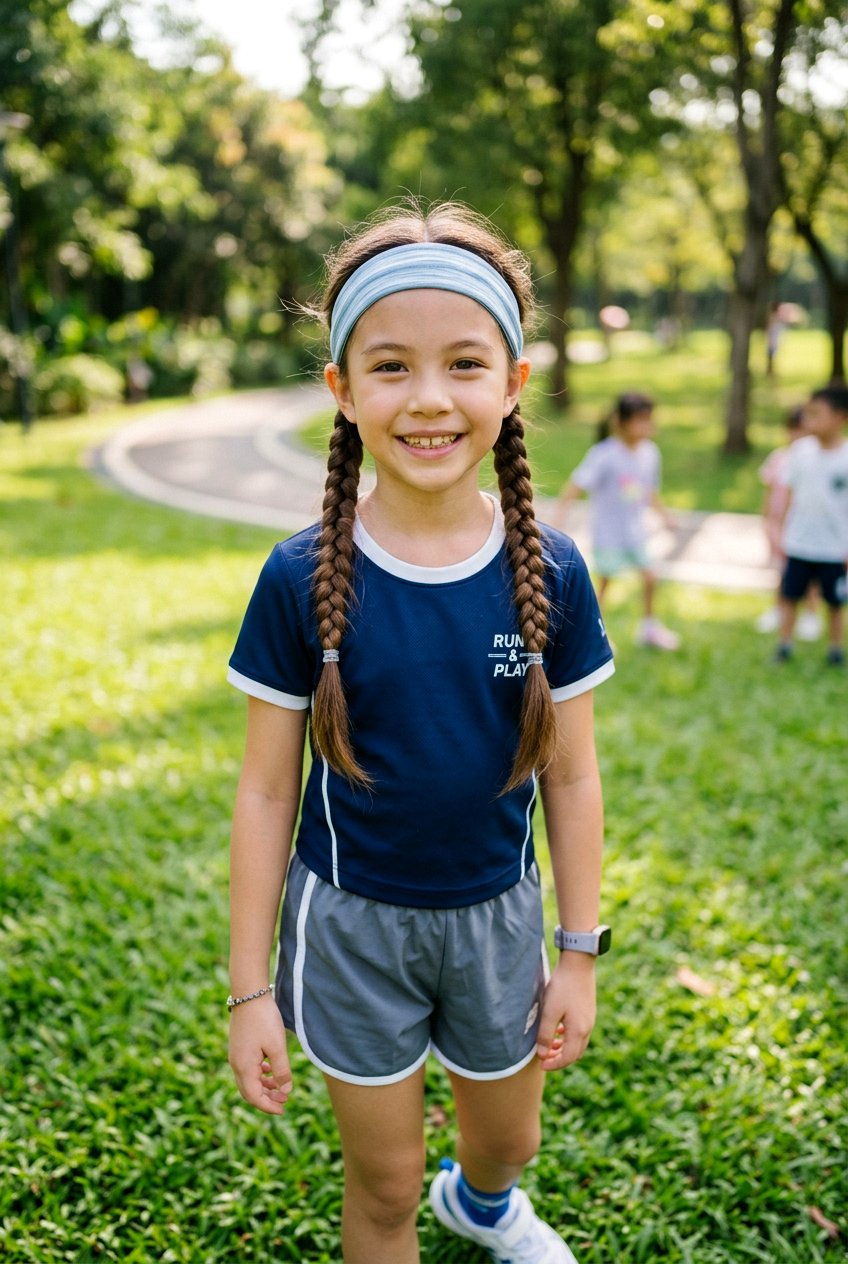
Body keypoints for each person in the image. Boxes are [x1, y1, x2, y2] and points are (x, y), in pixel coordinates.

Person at [226, 202, 615, 1264]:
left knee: (508, 1140)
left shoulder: (553, 573)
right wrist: (248, 989)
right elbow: (266, 792)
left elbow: (572, 779)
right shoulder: (299, 577)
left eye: (463, 364)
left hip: (497, 921)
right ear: (343, 392)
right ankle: (420, 1201)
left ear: (512, 383)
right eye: (390, 367)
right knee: (386, 1182)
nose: (430, 399)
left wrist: (576, 954)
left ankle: (482, 1204)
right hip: (350, 928)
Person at [555, 392, 680, 650]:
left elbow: (649, 491)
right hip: (608, 534)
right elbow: (577, 484)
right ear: (621, 422)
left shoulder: (650, 453)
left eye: (648, 420)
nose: (646, 426)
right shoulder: (604, 454)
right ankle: (593, 634)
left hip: (636, 532)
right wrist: (559, 516)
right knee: (604, 584)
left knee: (650, 577)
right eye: (639, 420)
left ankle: (649, 627)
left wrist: (665, 516)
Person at [774, 384, 848, 666]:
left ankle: (835, 649)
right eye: (809, 413)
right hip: (799, 541)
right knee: (790, 595)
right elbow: (788, 494)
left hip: (834, 547)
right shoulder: (800, 452)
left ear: (841, 417)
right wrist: (780, 531)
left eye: (818, 414)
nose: (810, 420)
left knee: (836, 601)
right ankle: (784, 644)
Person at [755, 406, 822, 638]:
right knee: (782, 571)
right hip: (779, 525)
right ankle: (778, 609)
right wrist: (768, 522)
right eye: (795, 430)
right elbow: (770, 492)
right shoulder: (779, 458)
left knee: (811, 575)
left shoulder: (816, 461)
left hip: (806, 526)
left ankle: (811, 614)